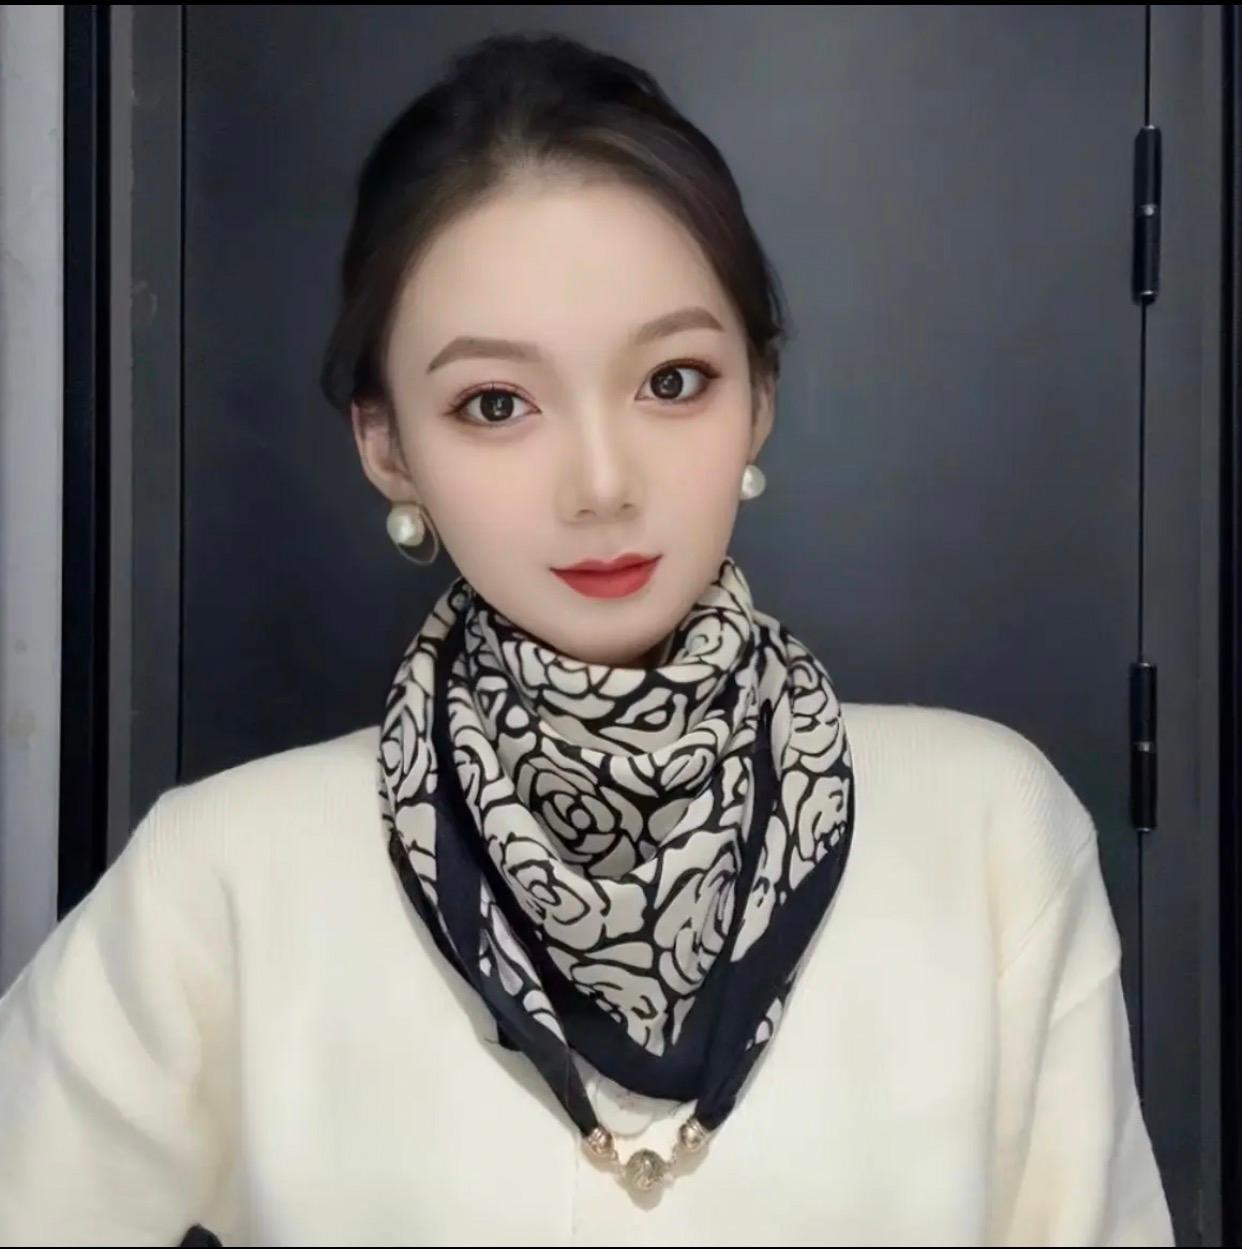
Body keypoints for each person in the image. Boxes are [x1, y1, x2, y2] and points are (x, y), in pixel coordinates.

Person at [0, 30, 1174, 1247]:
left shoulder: (987, 835)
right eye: (495, 403)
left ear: (759, 396)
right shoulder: (223, 878)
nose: (602, 484)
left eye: (672, 381)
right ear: (386, 445)